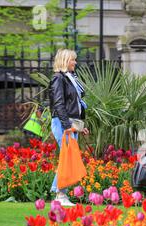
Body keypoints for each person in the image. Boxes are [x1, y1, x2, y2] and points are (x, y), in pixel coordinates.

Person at [49, 48, 89, 206]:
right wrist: (67, 126)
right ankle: (60, 194)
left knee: (68, 158)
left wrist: (80, 126)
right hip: (62, 123)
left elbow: (76, 105)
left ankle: (59, 193)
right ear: (66, 61)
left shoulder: (70, 78)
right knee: (67, 158)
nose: (75, 62)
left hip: (70, 123)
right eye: (73, 60)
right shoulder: (58, 78)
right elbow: (59, 104)